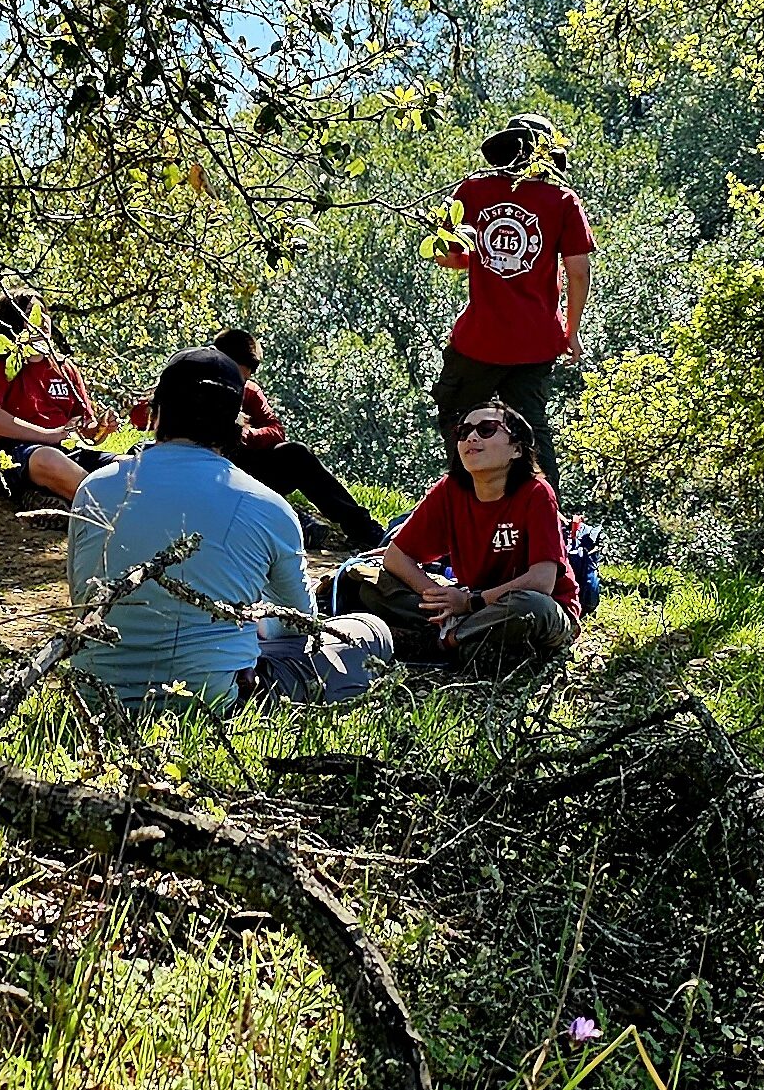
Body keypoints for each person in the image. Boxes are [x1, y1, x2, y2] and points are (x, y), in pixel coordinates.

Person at [66, 348, 394, 710]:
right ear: (236, 425)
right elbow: (301, 625)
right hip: (211, 700)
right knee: (369, 630)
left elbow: (82, 594)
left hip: (93, 695)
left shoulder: (94, 487)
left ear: (156, 413)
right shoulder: (267, 505)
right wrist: (257, 627)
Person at [425, 111, 595, 497]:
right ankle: (546, 518)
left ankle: (470, 500)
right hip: (537, 341)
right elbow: (579, 271)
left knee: (459, 419)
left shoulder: (472, 191)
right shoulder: (562, 200)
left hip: (480, 340)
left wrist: (477, 254)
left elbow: (447, 256)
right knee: (530, 432)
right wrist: (571, 330)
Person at [348, 400, 580, 674]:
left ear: (517, 449)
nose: (471, 437)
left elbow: (541, 582)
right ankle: (469, 644)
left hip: (534, 611)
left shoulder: (536, 493)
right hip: (472, 608)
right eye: (463, 431)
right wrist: (442, 599)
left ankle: (444, 643)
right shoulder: (450, 491)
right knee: (373, 587)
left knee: (530, 605)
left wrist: (470, 602)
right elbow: (396, 557)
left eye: (487, 429)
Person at [204, 328, 390, 551]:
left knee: (295, 453)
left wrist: (246, 434)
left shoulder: (250, 392)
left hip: (243, 471)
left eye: (243, 379)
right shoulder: (186, 385)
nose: (238, 384)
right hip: (204, 476)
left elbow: (276, 430)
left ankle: (364, 530)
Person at [0, 287, 120, 502]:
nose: (44, 321)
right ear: (14, 322)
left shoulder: (63, 367)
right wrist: (47, 435)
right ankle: (103, 508)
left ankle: (63, 496)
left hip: (65, 452)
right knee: (48, 458)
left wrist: (102, 427)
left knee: (127, 465)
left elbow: (86, 430)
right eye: (33, 314)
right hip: (11, 454)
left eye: (44, 312)